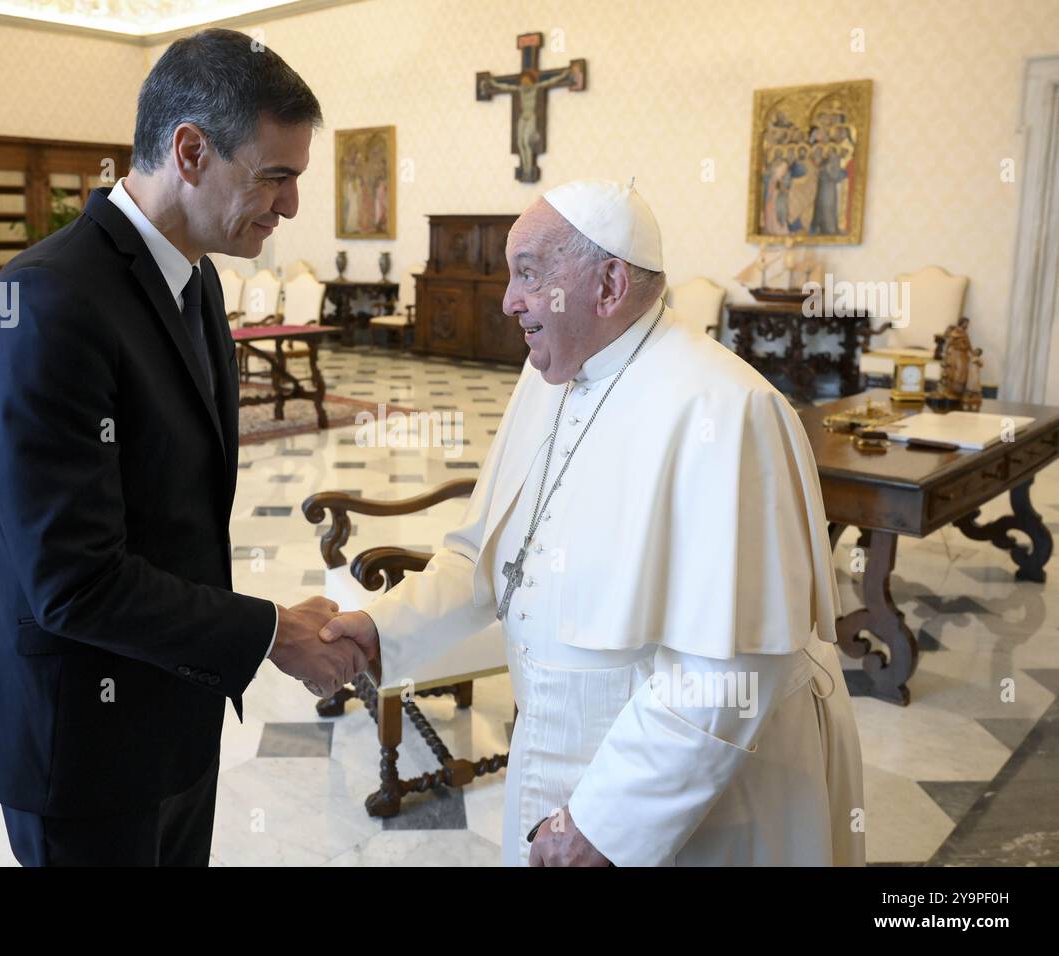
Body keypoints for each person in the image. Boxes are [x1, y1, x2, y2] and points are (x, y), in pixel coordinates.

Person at [320, 179, 866, 867]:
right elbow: (485, 559)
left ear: (608, 285)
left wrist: (606, 822)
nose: (508, 300)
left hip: (684, 803)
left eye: (528, 274)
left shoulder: (727, 412)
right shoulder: (547, 375)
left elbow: (727, 670)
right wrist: (381, 627)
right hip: (553, 764)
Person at [0, 28, 367, 867]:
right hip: (81, 740)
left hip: (175, 711)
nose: (290, 208)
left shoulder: (197, 276)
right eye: (276, 176)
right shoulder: (46, 302)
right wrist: (269, 634)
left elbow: (171, 518)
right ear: (189, 150)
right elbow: (72, 581)